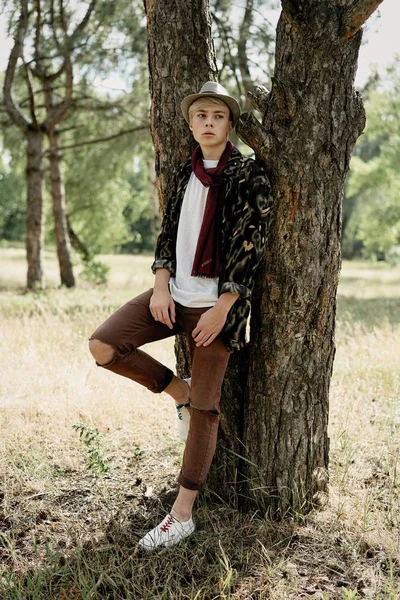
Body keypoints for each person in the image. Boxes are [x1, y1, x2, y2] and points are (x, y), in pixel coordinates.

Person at [88, 81, 273, 550]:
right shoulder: (183, 172)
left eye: (218, 116)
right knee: (104, 346)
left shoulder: (249, 175)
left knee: (205, 409)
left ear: (230, 125)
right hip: (172, 297)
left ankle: (182, 513)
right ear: (191, 125)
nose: (208, 123)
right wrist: (159, 284)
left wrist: (224, 308)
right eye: (201, 116)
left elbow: (252, 246)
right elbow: (168, 233)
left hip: (218, 309)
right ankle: (176, 389)